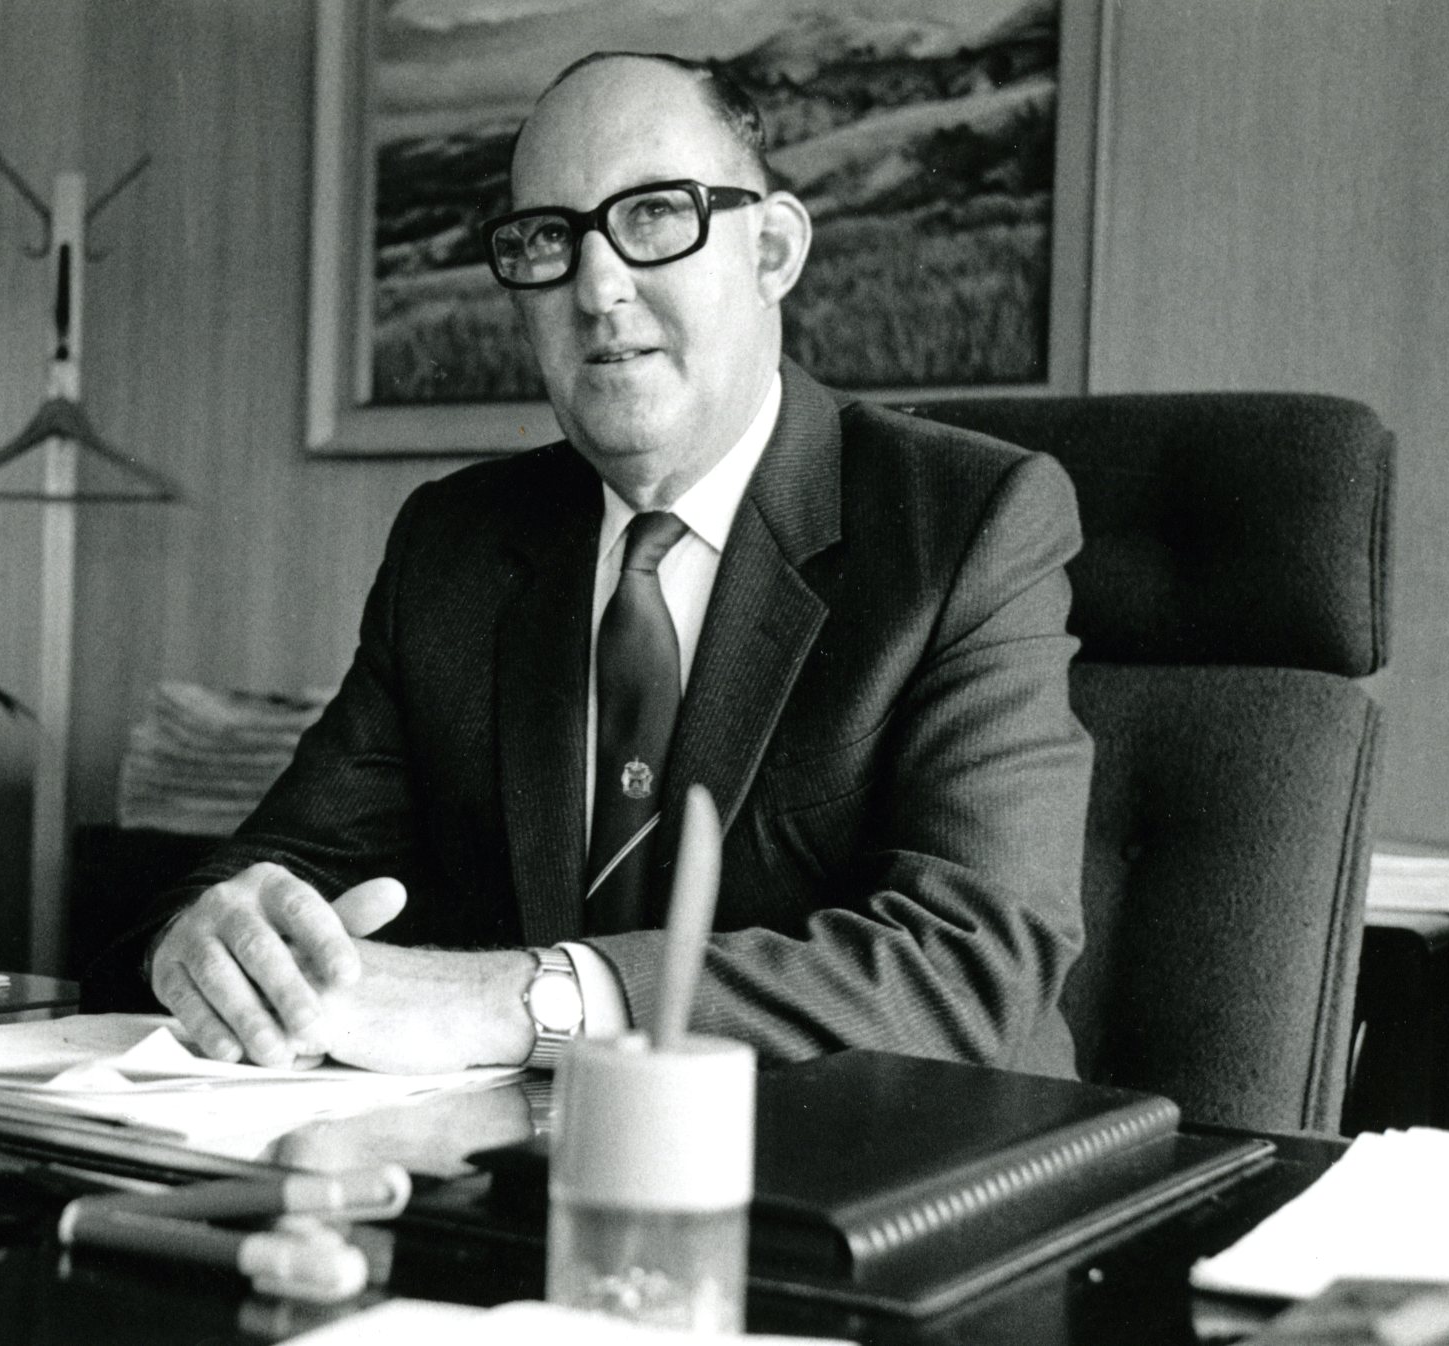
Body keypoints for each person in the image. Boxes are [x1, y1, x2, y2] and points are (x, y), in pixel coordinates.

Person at [88, 51, 1092, 1082]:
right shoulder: (455, 545)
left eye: (656, 216)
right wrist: (215, 940)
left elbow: (976, 957)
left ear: (775, 249)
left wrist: (524, 1000)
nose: (596, 285)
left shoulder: (970, 523)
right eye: (547, 239)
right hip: (513, 1182)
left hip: (882, 1179)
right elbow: (288, 862)